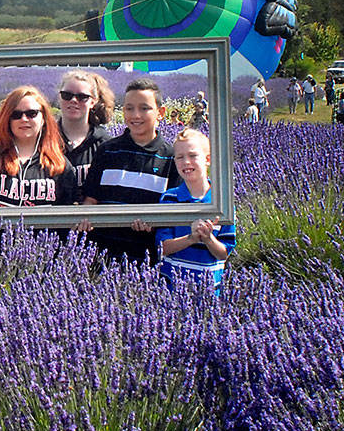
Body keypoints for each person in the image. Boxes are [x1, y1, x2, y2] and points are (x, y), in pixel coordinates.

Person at [78, 78, 178, 265]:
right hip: (102, 256)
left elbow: (174, 212)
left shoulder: (172, 157)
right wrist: (85, 216)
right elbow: (91, 199)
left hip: (145, 260)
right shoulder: (108, 150)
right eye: (129, 108)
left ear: (161, 113)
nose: (135, 115)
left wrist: (155, 222)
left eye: (144, 108)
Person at [0, 85, 76, 208]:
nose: (24, 119)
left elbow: (66, 216)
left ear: (43, 118)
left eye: (31, 113)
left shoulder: (59, 164)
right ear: (8, 119)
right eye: (16, 114)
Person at [154, 129, 236, 293]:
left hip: (209, 292)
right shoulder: (169, 199)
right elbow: (163, 248)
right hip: (171, 289)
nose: (186, 162)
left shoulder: (222, 202)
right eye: (180, 157)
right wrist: (192, 238)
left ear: (207, 159)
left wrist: (207, 238)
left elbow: (223, 253)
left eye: (192, 156)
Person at [56, 70, 115, 190]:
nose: (73, 100)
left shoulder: (105, 144)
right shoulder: (44, 139)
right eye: (66, 95)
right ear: (59, 97)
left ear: (93, 102)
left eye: (82, 97)